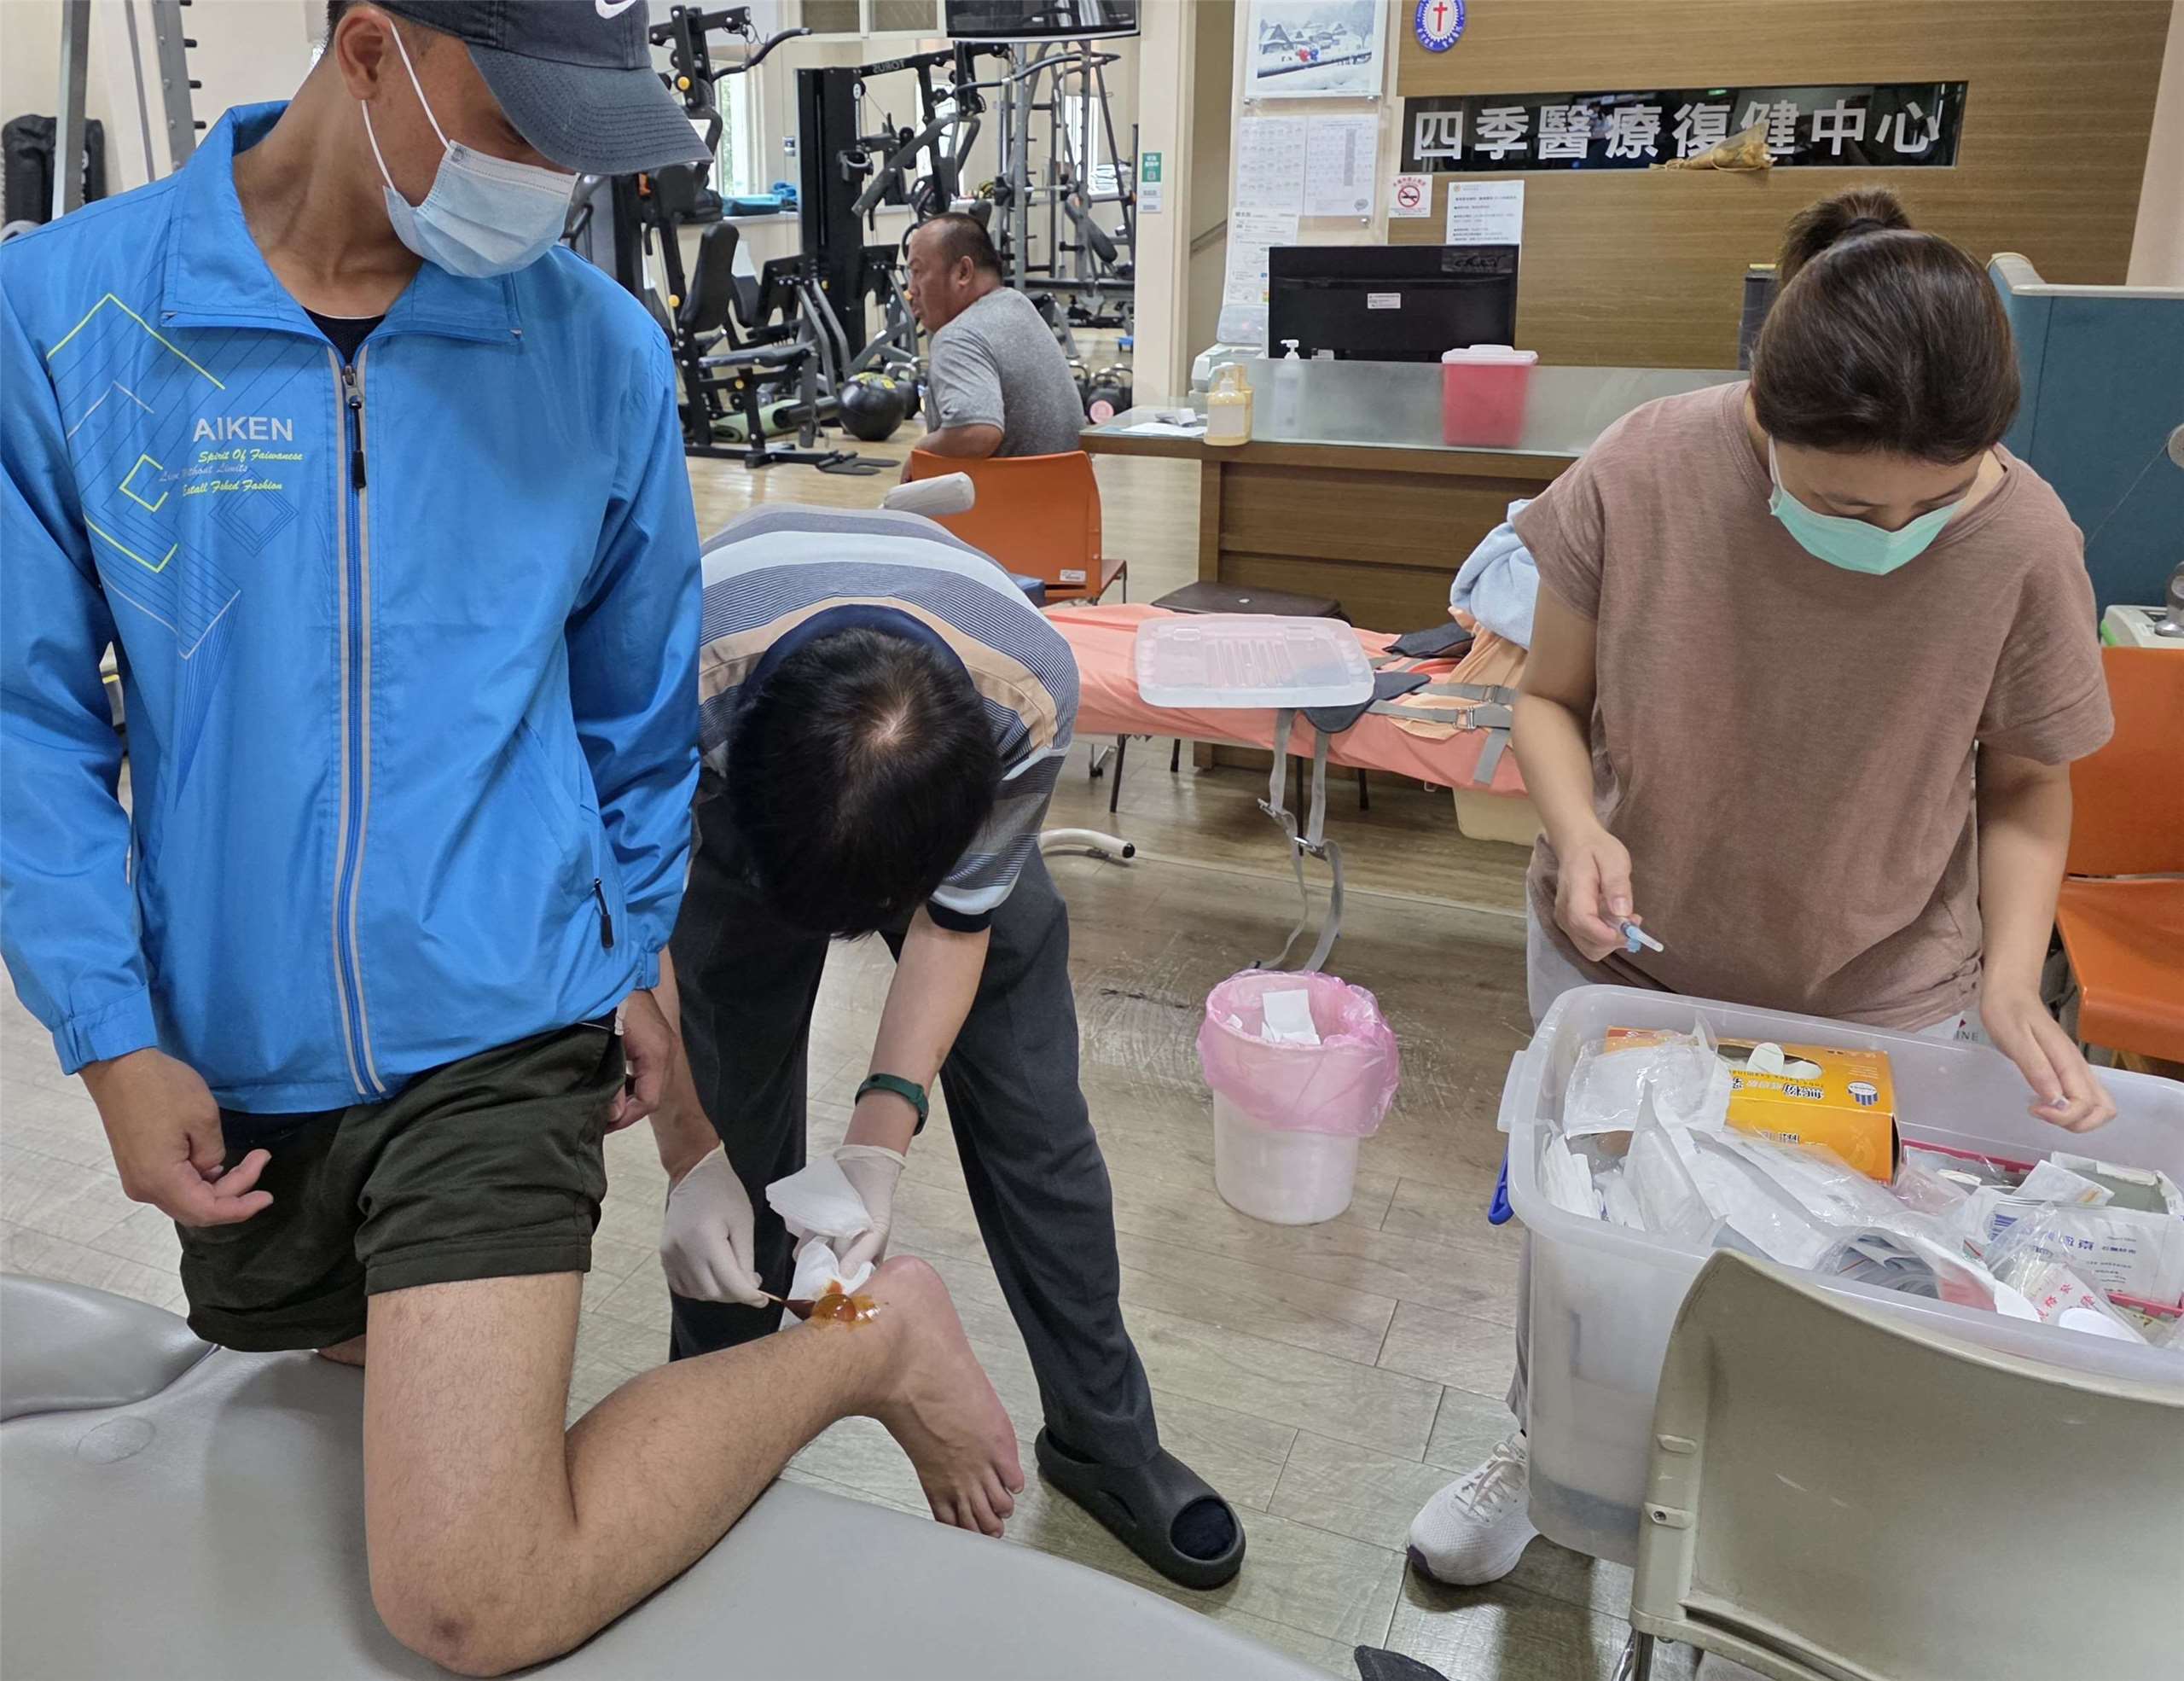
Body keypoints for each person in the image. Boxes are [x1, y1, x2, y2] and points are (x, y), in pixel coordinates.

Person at [0, 4, 1017, 1672]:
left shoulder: (593, 350)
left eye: (583, 141)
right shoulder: (67, 318)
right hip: (238, 1033)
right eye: (522, 126)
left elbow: (629, 722)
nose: (552, 180)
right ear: (370, 50)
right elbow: (27, 722)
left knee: (461, 1592)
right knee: (330, 1479)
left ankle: (871, 1343)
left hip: (506, 1012)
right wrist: (108, 1031)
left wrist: (626, 958)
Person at [1407, 186, 2117, 1587]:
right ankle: (1550, 1454)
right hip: (1627, 958)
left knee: (1825, 1275)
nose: (1891, 529)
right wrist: (1581, 826)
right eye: (1845, 503)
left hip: (1875, 987)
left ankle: (1762, 1522)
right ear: (1758, 415)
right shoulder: (1648, 467)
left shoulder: (2028, 541)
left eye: (1934, 502)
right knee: (1590, 1251)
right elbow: (1548, 700)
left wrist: (2007, 976)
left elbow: (2030, 783)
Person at [655, 501, 1248, 1590]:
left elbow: (956, 922)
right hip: (723, 773)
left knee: (1039, 1124)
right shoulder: (658, 673)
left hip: (949, 741)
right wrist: (689, 1152)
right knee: (730, 1119)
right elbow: (624, 920)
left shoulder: (1028, 688)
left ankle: (1105, 1438)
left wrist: (878, 1137)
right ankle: (715, 1428)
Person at [903, 212, 1086, 460]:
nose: (911, 290)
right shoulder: (1019, 305)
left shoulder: (959, 336)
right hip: (1071, 485)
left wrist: (920, 452)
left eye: (917, 272)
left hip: (1009, 486)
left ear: (963, 272)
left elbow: (976, 433)